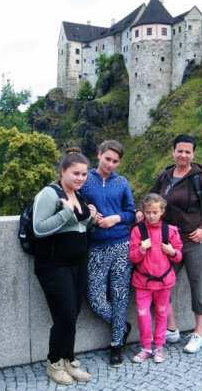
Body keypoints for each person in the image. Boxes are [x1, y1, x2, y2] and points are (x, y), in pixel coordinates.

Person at [141, 134, 202, 354]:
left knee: (199, 286)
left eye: (188, 151)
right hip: (169, 242)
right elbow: (151, 201)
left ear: (193, 154)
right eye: (180, 150)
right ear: (173, 152)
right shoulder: (165, 176)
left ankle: (198, 333)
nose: (183, 155)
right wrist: (141, 213)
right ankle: (172, 329)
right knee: (161, 283)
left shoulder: (200, 178)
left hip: (196, 241)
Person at [33, 148, 95, 385]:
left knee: (74, 313)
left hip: (77, 264)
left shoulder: (79, 195)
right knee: (65, 314)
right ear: (62, 171)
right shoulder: (50, 194)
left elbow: (78, 227)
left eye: (84, 174)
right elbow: (39, 228)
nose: (80, 178)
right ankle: (54, 363)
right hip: (53, 265)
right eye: (75, 173)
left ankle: (68, 358)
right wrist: (65, 213)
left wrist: (90, 217)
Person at [81, 140, 135, 366]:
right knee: (95, 298)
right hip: (95, 246)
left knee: (120, 295)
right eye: (107, 159)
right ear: (98, 154)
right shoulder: (85, 180)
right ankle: (122, 326)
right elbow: (73, 203)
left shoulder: (122, 182)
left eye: (115, 161)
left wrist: (117, 218)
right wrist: (89, 212)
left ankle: (116, 345)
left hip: (122, 244)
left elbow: (131, 213)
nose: (110, 164)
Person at [130, 193, 183, 363]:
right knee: (142, 314)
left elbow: (179, 255)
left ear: (162, 211)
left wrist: (172, 251)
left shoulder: (170, 230)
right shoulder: (138, 230)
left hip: (163, 281)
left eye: (154, 212)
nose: (151, 216)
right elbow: (132, 257)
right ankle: (146, 347)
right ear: (143, 212)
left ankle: (159, 346)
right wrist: (141, 250)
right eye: (148, 212)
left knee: (162, 313)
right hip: (143, 282)